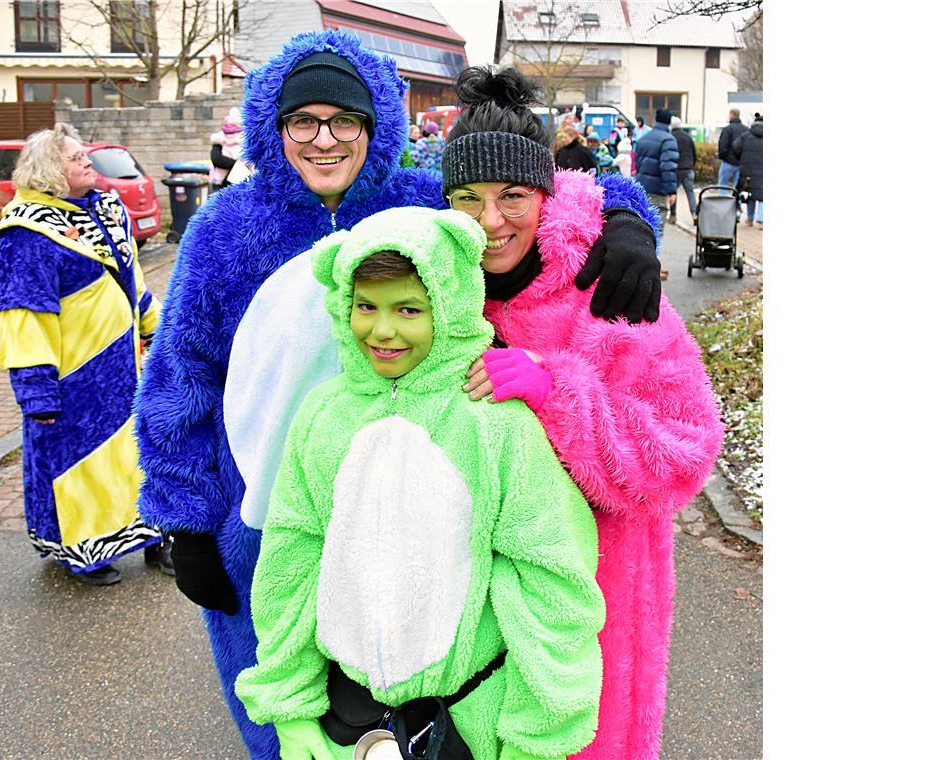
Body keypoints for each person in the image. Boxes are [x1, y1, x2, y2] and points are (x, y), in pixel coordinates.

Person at [133, 31, 661, 758]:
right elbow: (179, 376)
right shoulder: (224, 229)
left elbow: (533, 187)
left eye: (344, 121)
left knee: (400, 698)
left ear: (375, 126)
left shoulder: (417, 199)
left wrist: (627, 217)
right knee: (283, 710)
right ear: (272, 128)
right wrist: (185, 518)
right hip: (264, 513)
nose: (324, 140)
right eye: (302, 121)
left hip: (409, 508)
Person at [235, 206, 606, 759]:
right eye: (366, 306)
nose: (382, 330)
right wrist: (289, 705)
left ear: (449, 306)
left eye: (408, 309)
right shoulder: (321, 417)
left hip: (470, 722)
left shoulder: (494, 425)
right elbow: (292, 560)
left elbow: (550, 582)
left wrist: (537, 738)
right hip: (347, 723)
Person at [445, 65, 724, 760]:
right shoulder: (438, 290)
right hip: (467, 615)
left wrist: (556, 391)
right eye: (468, 198)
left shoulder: (608, 289)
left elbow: (685, 452)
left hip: (599, 608)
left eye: (512, 196)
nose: (490, 221)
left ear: (545, 193)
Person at [0, 122, 170, 586]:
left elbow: (131, 279)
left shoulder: (107, 209)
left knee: (140, 456)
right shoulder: (26, 232)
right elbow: (25, 315)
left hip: (125, 366)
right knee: (81, 467)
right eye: (76, 158)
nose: (87, 161)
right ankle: (85, 550)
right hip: (74, 374)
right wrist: (36, 389)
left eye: (84, 154)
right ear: (51, 169)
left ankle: (154, 538)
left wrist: (156, 327)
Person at [634, 107, 679, 235]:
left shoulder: (643, 138)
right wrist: (671, 191)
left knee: (642, 227)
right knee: (656, 230)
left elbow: (637, 163)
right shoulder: (668, 140)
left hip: (642, 188)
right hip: (658, 190)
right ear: (669, 121)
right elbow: (668, 167)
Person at [717, 107, 749, 219]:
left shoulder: (728, 129)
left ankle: (722, 208)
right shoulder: (746, 130)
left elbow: (723, 145)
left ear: (731, 115)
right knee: (738, 188)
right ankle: (737, 210)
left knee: (722, 184)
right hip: (741, 163)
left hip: (728, 162)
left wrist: (722, 156)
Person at [733, 113, 763, 227]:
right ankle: (761, 219)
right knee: (763, 195)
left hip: (747, 169)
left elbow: (735, 147)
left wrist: (741, 159)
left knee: (750, 194)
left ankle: (750, 219)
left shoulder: (745, 136)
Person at [209, 106, 247, 192]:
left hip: (224, 179)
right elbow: (216, 160)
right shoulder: (243, 138)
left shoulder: (220, 138)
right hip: (234, 180)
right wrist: (238, 164)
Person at [670, 115, 698, 223]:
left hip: (675, 169)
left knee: (673, 192)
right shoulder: (688, 137)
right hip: (688, 168)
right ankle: (694, 213)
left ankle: (673, 215)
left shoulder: (670, 137)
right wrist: (692, 165)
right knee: (690, 192)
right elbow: (694, 153)